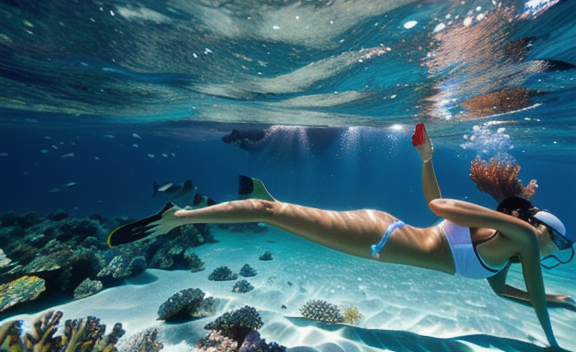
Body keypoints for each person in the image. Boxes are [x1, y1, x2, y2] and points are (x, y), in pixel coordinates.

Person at [108, 124, 574, 348]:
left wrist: (557, 301)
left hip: (385, 232)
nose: (560, 249)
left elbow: (514, 292)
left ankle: (240, 200)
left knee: (277, 212)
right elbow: (438, 208)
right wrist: (552, 345)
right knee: (271, 214)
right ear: (542, 229)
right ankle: (177, 216)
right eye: (562, 241)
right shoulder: (523, 238)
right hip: (380, 238)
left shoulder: (510, 250)